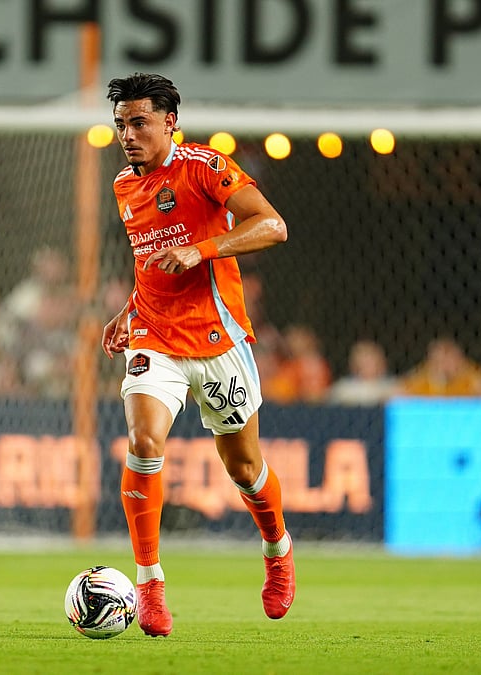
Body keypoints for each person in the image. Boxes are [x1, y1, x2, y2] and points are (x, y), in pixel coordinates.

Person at [101, 73, 295, 637]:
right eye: (121, 124)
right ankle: (149, 581)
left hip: (217, 341)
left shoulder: (204, 167)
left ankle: (278, 548)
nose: (128, 135)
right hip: (155, 337)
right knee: (142, 441)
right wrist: (129, 310)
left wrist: (202, 250)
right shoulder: (123, 186)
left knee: (245, 469)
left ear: (170, 122)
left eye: (139, 123)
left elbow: (273, 226)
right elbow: (149, 260)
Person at [400, 336, 481, 397]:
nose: (443, 364)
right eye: (438, 360)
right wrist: (437, 382)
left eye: (448, 358)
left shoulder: (472, 372)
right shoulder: (422, 373)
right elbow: (401, 392)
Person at [328, 339, 401, 405]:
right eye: (363, 362)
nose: (367, 366)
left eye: (371, 362)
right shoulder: (344, 388)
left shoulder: (393, 386)